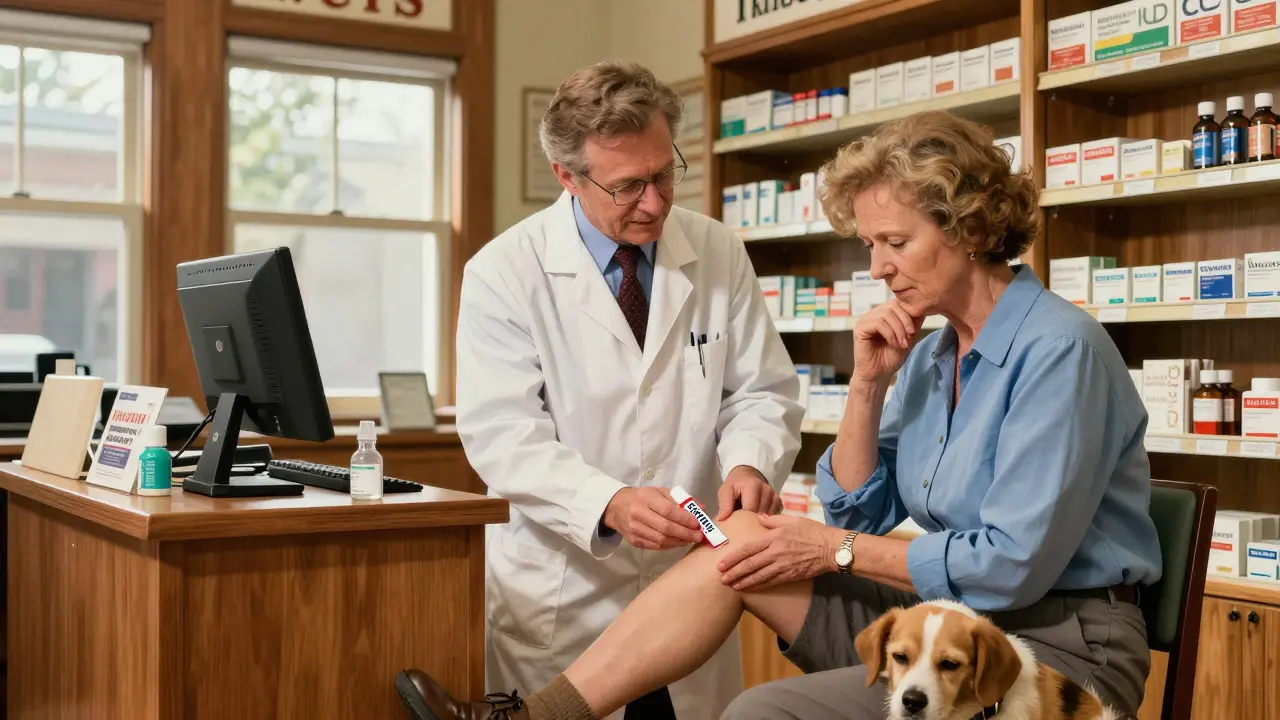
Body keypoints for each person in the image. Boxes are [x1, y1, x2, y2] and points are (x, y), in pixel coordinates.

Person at [396, 109, 1164, 720]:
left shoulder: (1059, 349)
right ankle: (532, 719)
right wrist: (865, 388)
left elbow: (1007, 564)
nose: (877, 267)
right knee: (740, 538)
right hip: (945, 627)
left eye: (894, 241)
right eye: (870, 243)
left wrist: (830, 552)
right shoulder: (935, 355)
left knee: (762, 711)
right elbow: (856, 505)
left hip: (1052, 646)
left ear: (966, 227)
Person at [415, 60, 804, 720]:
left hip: (689, 586)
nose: (653, 203)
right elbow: (501, 434)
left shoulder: (716, 251)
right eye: (627, 187)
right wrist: (611, 502)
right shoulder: (506, 272)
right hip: (562, 597)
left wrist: (747, 462)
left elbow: (761, 391)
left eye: (663, 174)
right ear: (567, 176)